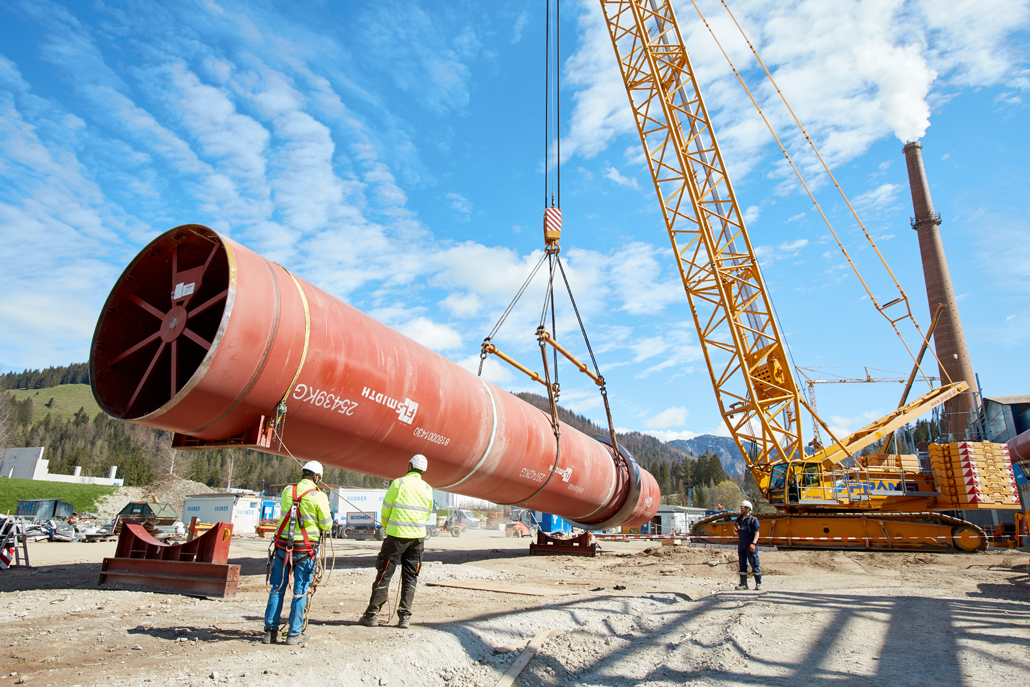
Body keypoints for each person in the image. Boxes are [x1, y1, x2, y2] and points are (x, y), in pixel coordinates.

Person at [358, 454, 434, 629]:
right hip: (417, 539)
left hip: (395, 537)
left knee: (384, 574)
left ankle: (372, 615)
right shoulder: (428, 488)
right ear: (423, 471)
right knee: (410, 577)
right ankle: (404, 618)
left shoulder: (399, 483)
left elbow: (386, 509)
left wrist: (387, 525)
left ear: (409, 466)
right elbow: (427, 513)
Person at [263, 460, 332, 645]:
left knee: (277, 588)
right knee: (300, 591)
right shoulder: (319, 496)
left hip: (281, 547)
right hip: (305, 551)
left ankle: (270, 632)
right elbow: (326, 524)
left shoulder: (287, 491)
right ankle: (294, 634)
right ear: (317, 478)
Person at [733, 499, 762, 590]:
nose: (741, 509)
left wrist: (753, 543)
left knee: (754, 563)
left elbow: (757, 533)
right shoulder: (739, 520)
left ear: (748, 509)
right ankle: (743, 584)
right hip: (741, 546)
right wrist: (735, 530)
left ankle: (758, 583)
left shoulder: (753, 520)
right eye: (741, 507)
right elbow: (735, 533)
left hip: (750, 546)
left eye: (743, 507)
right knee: (742, 564)